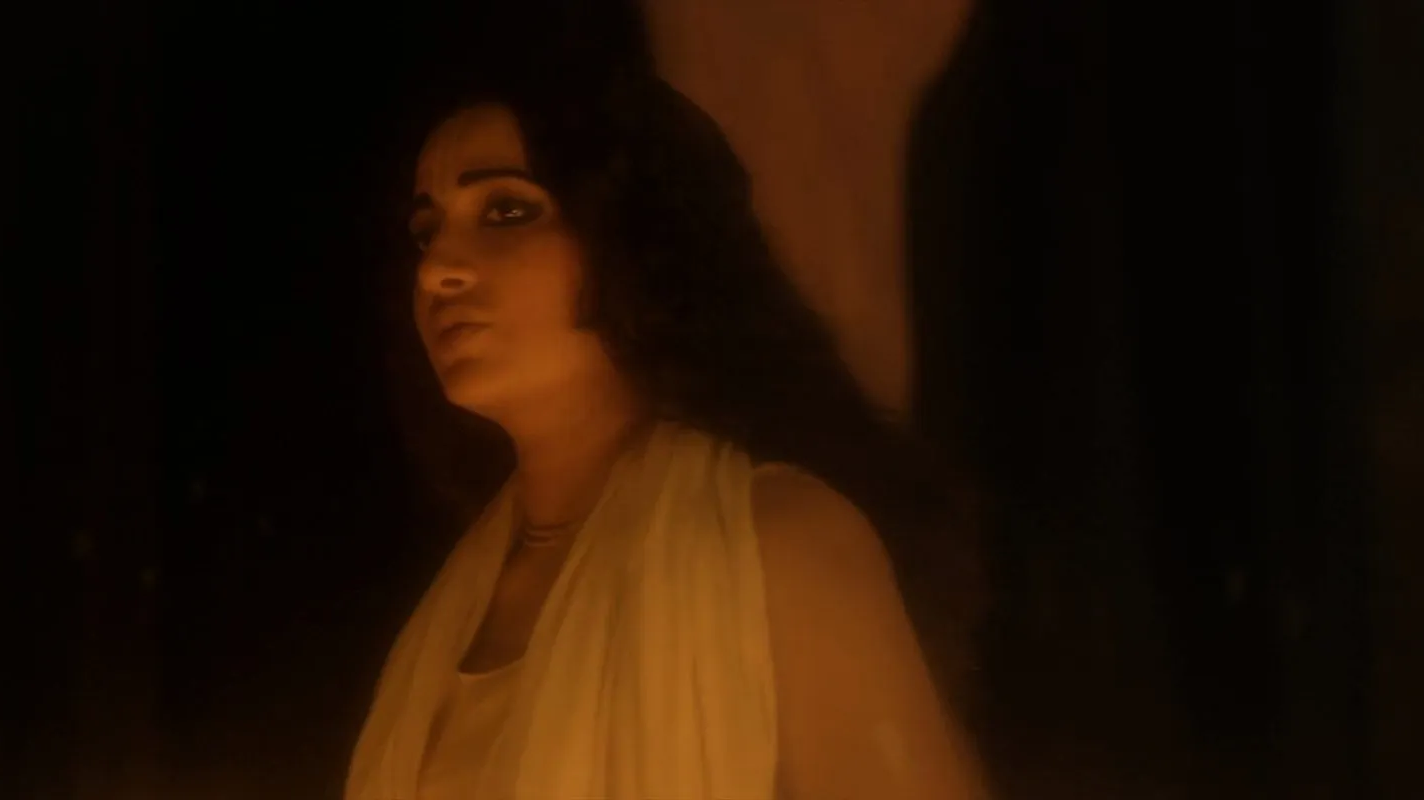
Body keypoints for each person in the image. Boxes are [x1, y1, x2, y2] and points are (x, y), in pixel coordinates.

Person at [344, 60, 988, 800]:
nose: (437, 270)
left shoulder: (783, 545)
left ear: (635, 240)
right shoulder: (453, 603)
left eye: (507, 212)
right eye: (427, 231)